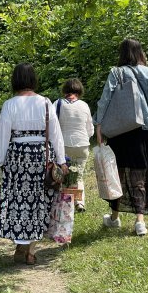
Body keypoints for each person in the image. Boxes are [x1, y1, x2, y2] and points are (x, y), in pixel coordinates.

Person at [0, 63, 68, 265]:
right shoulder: (46, 103)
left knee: (18, 202)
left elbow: (2, 137)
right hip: (41, 157)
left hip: (17, 158)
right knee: (39, 201)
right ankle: (30, 250)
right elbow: (55, 135)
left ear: (15, 80)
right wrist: (61, 160)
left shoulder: (10, 104)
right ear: (33, 80)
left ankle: (20, 244)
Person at [94, 38, 148, 236]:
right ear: (140, 52)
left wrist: (98, 123)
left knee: (117, 174)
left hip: (120, 131)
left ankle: (115, 218)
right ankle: (140, 221)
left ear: (122, 53)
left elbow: (105, 100)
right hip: (144, 130)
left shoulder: (116, 73)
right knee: (140, 175)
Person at [52, 78, 94, 212]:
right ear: (79, 91)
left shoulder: (58, 104)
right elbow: (90, 129)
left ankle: (65, 204)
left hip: (63, 145)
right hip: (82, 144)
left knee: (62, 176)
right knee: (79, 175)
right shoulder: (84, 105)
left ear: (65, 90)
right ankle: (80, 202)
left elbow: (52, 125)